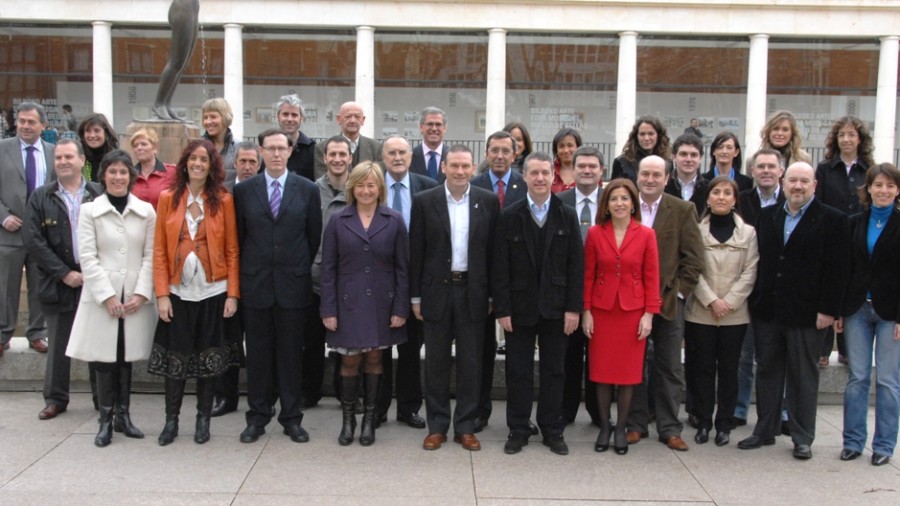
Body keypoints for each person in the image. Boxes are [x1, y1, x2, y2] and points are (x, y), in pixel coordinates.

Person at [739, 162, 850, 460]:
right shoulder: (767, 216)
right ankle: (765, 430)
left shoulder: (833, 219)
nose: (797, 186)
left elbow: (837, 270)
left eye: (804, 181)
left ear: (814, 184)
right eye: (792, 181)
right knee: (767, 371)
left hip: (808, 313)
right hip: (769, 310)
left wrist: (829, 310)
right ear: (782, 182)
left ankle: (802, 437)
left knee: (803, 375)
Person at [148, 139, 241, 446]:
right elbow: (160, 250)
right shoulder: (167, 198)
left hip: (214, 290)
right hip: (177, 291)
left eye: (205, 159)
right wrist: (162, 294)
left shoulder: (224, 199)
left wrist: (232, 294)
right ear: (185, 162)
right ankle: (171, 421)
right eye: (193, 158)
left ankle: (203, 419)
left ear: (212, 165)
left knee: (208, 358)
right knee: (176, 361)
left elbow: (231, 249)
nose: (198, 164)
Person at [233, 128, 322, 444]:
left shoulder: (307, 189)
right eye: (269, 148)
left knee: (290, 356)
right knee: (257, 355)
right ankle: (257, 417)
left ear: (289, 150)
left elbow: (313, 237)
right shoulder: (244, 191)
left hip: (293, 286)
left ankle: (291, 417)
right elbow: (240, 238)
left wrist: (294, 266)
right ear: (260, 151)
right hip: (256, 285)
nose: (275, 154)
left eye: (280, 148)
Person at [410, 144, 500, 452]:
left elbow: (492, 254)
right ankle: (437, 426)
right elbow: (417, 251)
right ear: (444, 168)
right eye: (454, 166)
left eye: (465, 166)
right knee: (435, 362)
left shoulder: (488, 202)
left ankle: (465, 426)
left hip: (473, 292)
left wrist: (491, 296)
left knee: (471, 363)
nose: (460, 172)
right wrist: (415, 297)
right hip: (437, 292)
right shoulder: (424, 201)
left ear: (474, 169)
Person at [492, 152, 583, 456]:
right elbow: (500, 267)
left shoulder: (566, 213)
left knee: (554, 371)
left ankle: (552, 429)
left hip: (557, 309)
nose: (541, 178)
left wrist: (574, 309)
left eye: (545, 172)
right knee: (518, 371)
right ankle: (518, 428)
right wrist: (502, 309)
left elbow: (575, 265)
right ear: (525, 177)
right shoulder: (509, 214)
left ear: (552, 175)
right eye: (535, 173)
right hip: (519, 308)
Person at [65, 150, 158, 447]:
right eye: (112, 172)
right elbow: (87, 257)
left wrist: (142, 294)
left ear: (131, 176)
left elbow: (151, 255)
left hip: (132, 295)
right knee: (105, 359)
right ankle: (104, 419)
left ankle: (124, 417)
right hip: (102, 296)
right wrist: (106, 296)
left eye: (123, 172)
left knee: (125, 357)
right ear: (103, 176)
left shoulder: (146, 211)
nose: (118, 177)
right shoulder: (89, 210)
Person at [320, 161, 409, 446]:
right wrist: (329, 309)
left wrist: (400, 308)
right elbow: (328, 268)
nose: (366, 190)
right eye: (360, 184)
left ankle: (370, 420)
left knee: (374, 358)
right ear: (352, 188)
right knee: (349, 360)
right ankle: (349, 421)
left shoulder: (394, 219)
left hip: (383, 303)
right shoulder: (338, 219)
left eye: (371, 185)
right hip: (348, 303)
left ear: (380, 188)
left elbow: (402, 268)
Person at [626, 155, 704, 451]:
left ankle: (669, 427)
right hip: (631, 302)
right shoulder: (625, 207)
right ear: (637, 177)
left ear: (666, 178)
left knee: (670, 366)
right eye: (645, 173)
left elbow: (694, 259)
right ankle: (635, 423)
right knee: (634, 365)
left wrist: (680, 293)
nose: (649, 179)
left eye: (656, 174)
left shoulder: (683, 210)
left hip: (669, 302)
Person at [24, 139, 103, 419]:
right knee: (59, 344)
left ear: (82, 160)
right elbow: (34, 241)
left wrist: (93, 273)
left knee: (97, 341)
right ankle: (56, 398)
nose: (63, 161)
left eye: (69, 156)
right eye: (58, 157)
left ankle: (102, 399)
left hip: (93, 279)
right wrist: (64, 273)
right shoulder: (41, 196)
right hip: (58, 280)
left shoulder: (98, 193)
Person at [582, 178, 660, 455]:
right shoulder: (594, 233)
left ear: (633, 203)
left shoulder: (646, 234)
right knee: (602, 374)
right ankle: (605, 425)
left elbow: (652, 277)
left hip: (632, 313)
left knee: (628, 375)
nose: (619, 203)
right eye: (614, 198)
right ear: (606, 204)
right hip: (602, 313)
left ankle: (621, 428)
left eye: (625, 199)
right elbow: (588, 275)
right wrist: (586, 312)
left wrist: (649, 315)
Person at [683, 176, 759, 447]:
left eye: (728, 193)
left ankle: (724, 423)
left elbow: (750, 271)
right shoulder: (695, 229)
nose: (722, 197)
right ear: (708, 198)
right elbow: (691, 267)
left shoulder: (748, 233)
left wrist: (728, 302)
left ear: (735, 199)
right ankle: (702, 421)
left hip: (734, 315)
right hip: (701, 312)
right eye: (716, 192)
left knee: (729, 370)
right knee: (702, 369)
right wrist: (711, 300)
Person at [837, 163, 900, 467]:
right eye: (878, 185)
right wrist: (838, 310)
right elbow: (844, 269)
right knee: (857, 378)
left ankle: (885, 446)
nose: (883, 191)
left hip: (891, 313)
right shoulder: (854, 223)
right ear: (869, 189)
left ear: (897, 190)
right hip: (857, 310)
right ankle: (852, 442)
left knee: (888, 381)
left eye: (889, 185)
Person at [376, 135, 438, 429]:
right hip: (380, 278)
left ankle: (408, 408)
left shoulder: (428, 188)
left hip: (416, 281)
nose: (397, 157)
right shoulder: (373, 187)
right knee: (380, 347)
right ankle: (378, 408)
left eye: (402, 152)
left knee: (412, 349)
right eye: (392, 153)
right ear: (383, 157)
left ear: (411, 157)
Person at [470, 130, 528, 434]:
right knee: (481, 347)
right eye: (495, 150)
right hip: (479, 277)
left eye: (506, 150)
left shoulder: (525, 185)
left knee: (518, 350)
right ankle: (479, 410)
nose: (500, 156)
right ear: (487, 152)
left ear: (514, 154)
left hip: (516, 280)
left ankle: (519, 417)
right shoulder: (473, 185)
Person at [815, 115, 875, 367]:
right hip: (832, 236)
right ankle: (823, 349)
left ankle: (848, 350)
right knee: (829, 287)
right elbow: (818, 203)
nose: (847, 139)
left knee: (853, 291)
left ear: (860, 139)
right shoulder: (825, 168)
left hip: (860, 238)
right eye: (842, 135)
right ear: (835, 139)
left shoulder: (869, 169)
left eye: (851, 134)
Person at [733, 149, 786, 428]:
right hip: (747, 286)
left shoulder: (792, 199)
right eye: (760, 166)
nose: (766, 171)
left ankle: (782, 413)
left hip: (781, 289)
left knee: (778, 357)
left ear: (781, 171)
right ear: (752, 171)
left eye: (771, 166)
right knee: (746, 354)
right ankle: (740, 410)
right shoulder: (741, 201)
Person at [1, 102, 55, 357]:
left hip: (42, 233)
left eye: (31, 122)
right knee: (5, 286)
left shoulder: (54, 152)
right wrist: (3, 218)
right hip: (9, 231)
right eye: (21, 121)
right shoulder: (2, 149)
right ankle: (3, 334)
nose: (25, 126)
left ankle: (37, 333)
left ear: (43, 125)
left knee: (40, 284)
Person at [557, 146, 604, 425]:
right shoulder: (558, 201)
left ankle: (599, 412)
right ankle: (566, 410)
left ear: (601, 171)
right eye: (582, 166)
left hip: (603, 290)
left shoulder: (613, 202)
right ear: (572, 170)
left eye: (592, 166)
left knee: (599, 354)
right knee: (569, 356)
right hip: (567, 291)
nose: (587, 171)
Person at [212, 142, 259, 417]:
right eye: (243, 161)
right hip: (224, 276)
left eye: (253, 161)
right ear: (235, 164)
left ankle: (261, 395)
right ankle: (225, 396)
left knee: (256, 342)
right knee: (226, 340)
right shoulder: (222, 192)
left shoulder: (263, 188)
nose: (248, 166)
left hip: (255, 278)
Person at [309, 135, 353, 411]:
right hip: (314, 277)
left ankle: (344, 394)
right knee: (312, 341)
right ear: (324, 158)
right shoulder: (311, 190)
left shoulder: (359, 190)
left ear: (350, 158)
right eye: (332, 154)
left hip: (348, 279)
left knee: (346, 343)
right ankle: (310, 393)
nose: (337, 159)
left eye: (342, 154)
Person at [152, 0, 199, 121]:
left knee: (182, 64)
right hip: (183, 6)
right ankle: (159, 103)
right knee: (176, 62)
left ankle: (166, 103)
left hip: (193, 6)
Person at [314, 102, 381, 179]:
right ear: (338, 119)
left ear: (363, 120)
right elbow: (322, 183)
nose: (352, 120)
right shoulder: (322, 148)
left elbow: (378, 180)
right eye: (348, 116)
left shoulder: (376, 148)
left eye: (357, 116)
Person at [612, 115, 671, 183]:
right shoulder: (622, 162)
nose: (646, 138)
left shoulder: (668, 161)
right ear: (636, 136)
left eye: (651, 134)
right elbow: (615, 190)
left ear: (659, 136)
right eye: (642, 134)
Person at [273, 94, 316, 181]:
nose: (289, 119)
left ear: (301, 118)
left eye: (294, 115)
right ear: (278, 117)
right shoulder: (268, 147)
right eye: (285, 114)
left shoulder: (313, 149)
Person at [665, 133, 710, 216]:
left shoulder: (710, 189)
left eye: (693, 155)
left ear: (700, 158)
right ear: (674, 157)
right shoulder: (663, 187)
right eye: (683, 154)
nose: (688, 159)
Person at [130, 128, 175, 210]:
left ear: (154, 148)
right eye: (135, 145)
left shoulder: (172, 172)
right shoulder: (129, 175)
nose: (139, 148)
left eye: (143, 144)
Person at [201, 98, 237, 183]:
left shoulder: (238, 147)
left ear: (225, 117)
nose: (208, 122)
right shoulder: (197, 147)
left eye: (213, 117)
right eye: (205, 117)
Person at [77, 113, 118, 183]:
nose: (92, 135)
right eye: (88, 131)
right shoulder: (77, 158)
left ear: (106, 133)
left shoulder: (116, 158)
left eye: (96, 131)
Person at [410, 107, 448, 182]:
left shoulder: (452, 157)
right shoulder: (410, 157)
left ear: (444, 128)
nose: (434, 128)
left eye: (438, 124)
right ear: (421, 127)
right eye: (430, 124)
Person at [550, 128, 582, 193]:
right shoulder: (549, 171)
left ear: (578, 147)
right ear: (556, 150)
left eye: (570, 145)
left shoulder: (587, 171)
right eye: (561, 146)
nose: (566, 150)